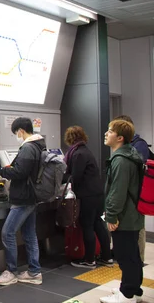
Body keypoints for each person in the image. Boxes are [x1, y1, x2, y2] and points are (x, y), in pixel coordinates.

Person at [0, 117, 43, 286]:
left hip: (23, 198)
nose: (16, 136)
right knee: (29, 234)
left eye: (15, 133)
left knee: (7, 232)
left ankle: (11, 271)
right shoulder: (39, 145)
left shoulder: (28, 147)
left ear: (21, 131)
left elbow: (19, 173)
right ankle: (34, 272)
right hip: (32, 196)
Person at [100, 119, 144, 303]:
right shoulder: (130, 155)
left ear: (119, 138)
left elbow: (117, 193)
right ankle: (130, 289)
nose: (106, 133)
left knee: (126, 256)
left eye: (109, 131)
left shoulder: (121, 161)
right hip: (132, 215)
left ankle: (127, 295)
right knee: (131, 254)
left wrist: (111, 216)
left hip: (124, 217)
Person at [62, 126, 113, 269]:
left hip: (87, 196)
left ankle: (89, 260)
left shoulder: (78, 154)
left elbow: (75, 176)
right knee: (98, 224)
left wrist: (60, 177)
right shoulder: (85, 151)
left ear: (70, 138)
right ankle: (106, 257)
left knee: (88, 226)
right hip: (97, 194)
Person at [115, 115, 148, 264]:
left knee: (137, 232)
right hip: (131, 199)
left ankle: (138, 261)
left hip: (136, 199)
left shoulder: (138, 146)